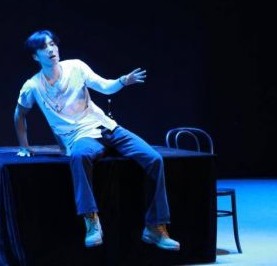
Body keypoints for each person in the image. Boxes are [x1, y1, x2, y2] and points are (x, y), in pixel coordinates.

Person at [13, 30, 180, 250]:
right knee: (79, 156)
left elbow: (105, 86)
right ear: (35, 56)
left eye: (52, 44)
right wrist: (24, 146)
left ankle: (155, 227)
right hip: (80, 136)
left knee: (154, 159)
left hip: (106, 127)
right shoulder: (33, 86)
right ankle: (91, 221)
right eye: (44, 47)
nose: (51, 49)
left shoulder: (76, 67)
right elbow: (19, 114)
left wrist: (123, 81)